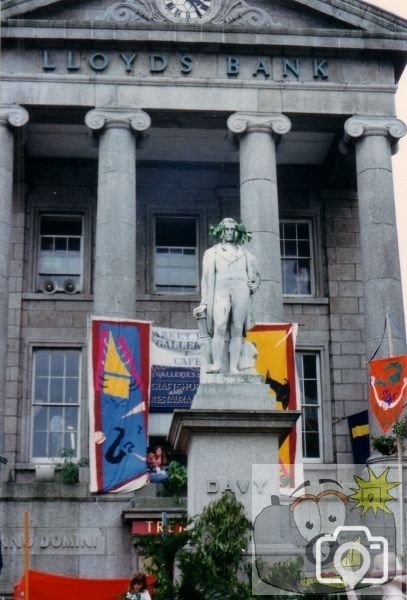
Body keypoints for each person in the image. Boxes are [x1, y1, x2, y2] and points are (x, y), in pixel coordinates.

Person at [194, 218, 260, 374]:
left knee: (237, 329)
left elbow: (256, 276)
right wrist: (204, 302)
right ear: (221, 232)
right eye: (227, 229)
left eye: (233, 229)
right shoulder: (212, 253)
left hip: (241, 290)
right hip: (221, 291)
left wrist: (255, 285)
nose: (230, 232)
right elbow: (206, 279)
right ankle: (217, 364)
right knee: (219, 325)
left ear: (237, 232)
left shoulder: (247, 255)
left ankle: (233, 367)